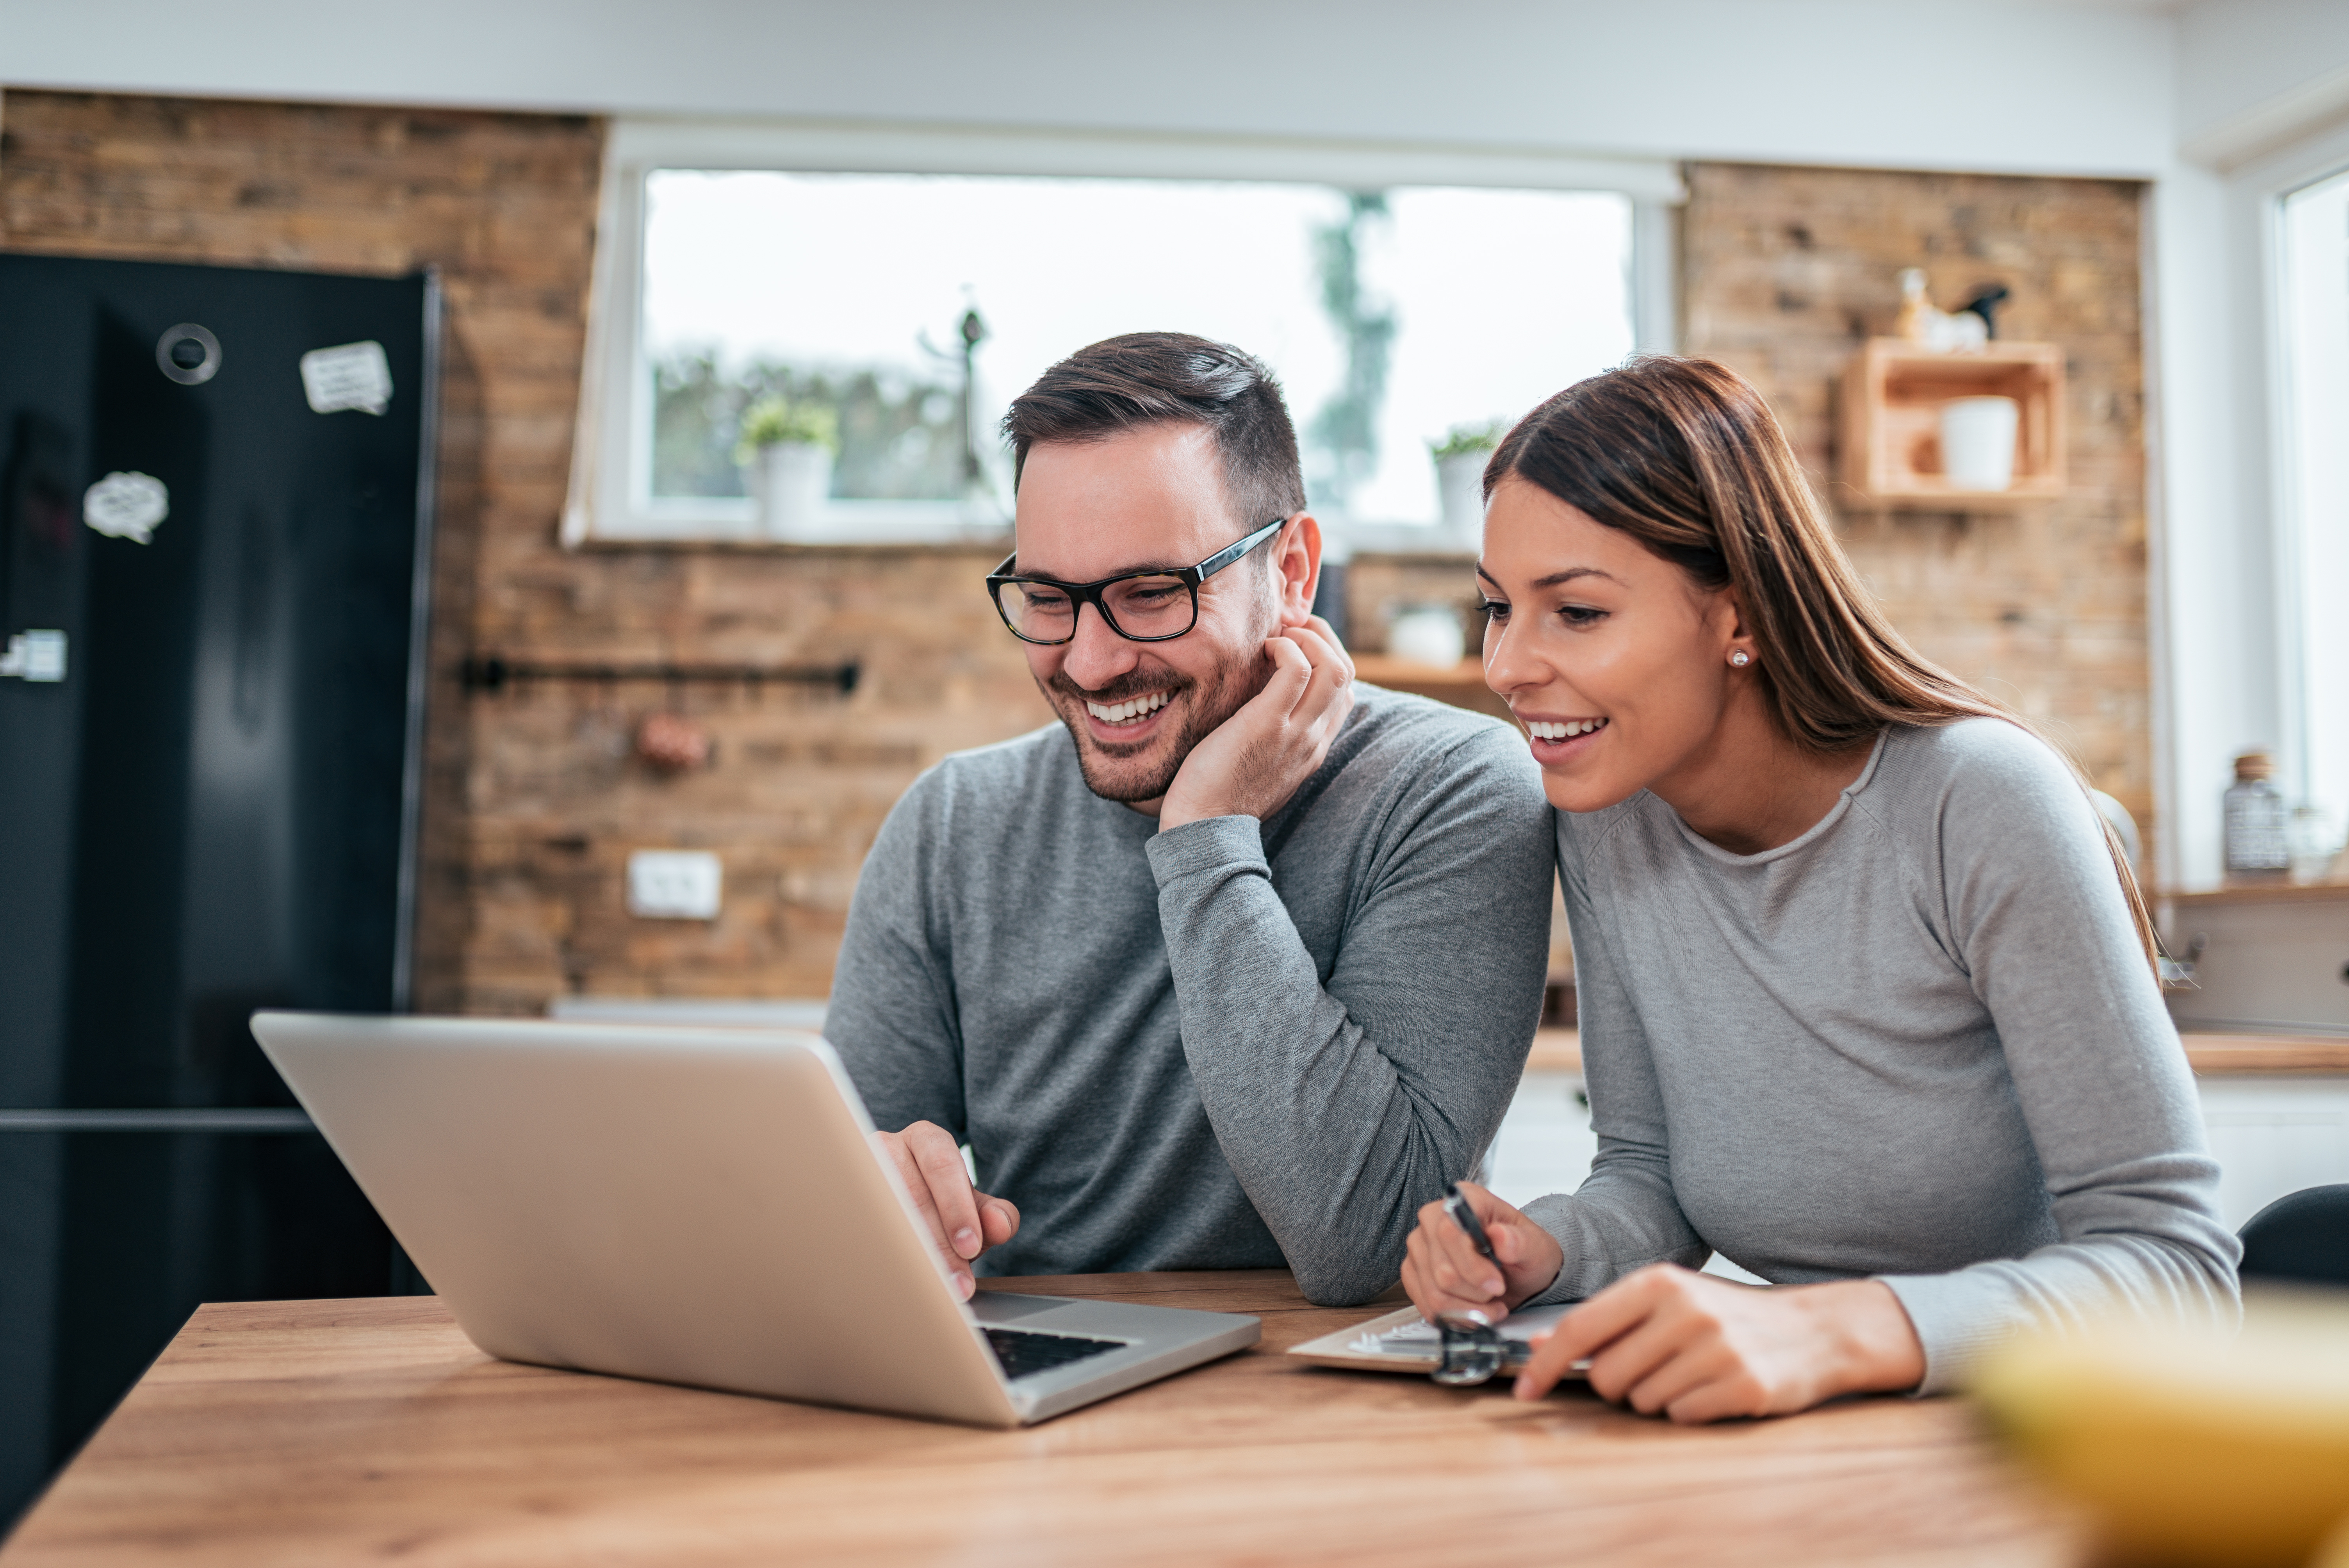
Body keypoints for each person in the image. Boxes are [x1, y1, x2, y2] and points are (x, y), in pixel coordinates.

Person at [1400, 356, 2238, 1422]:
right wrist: (1545, 1247)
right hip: (1797, 1418)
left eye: (1575, 612)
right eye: (1495, 609)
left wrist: (1834, 1329)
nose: (1509, 665)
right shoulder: (1609, 819)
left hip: (2053, 1432)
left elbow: (2179, 1269)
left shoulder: (1980, 803)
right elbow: (1651, 1177)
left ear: (1737, 616)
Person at [825, 332, 1555, 1305]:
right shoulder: (956, 821)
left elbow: (1371, 1243)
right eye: (1048, 598)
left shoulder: (1449, 788)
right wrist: (874, 1191)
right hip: (1034, 1386)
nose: (1088, 663)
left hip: (1333, 1408)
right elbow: (836, 1202)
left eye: (1151, 594)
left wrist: (1205, 834)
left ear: (1291, 569)